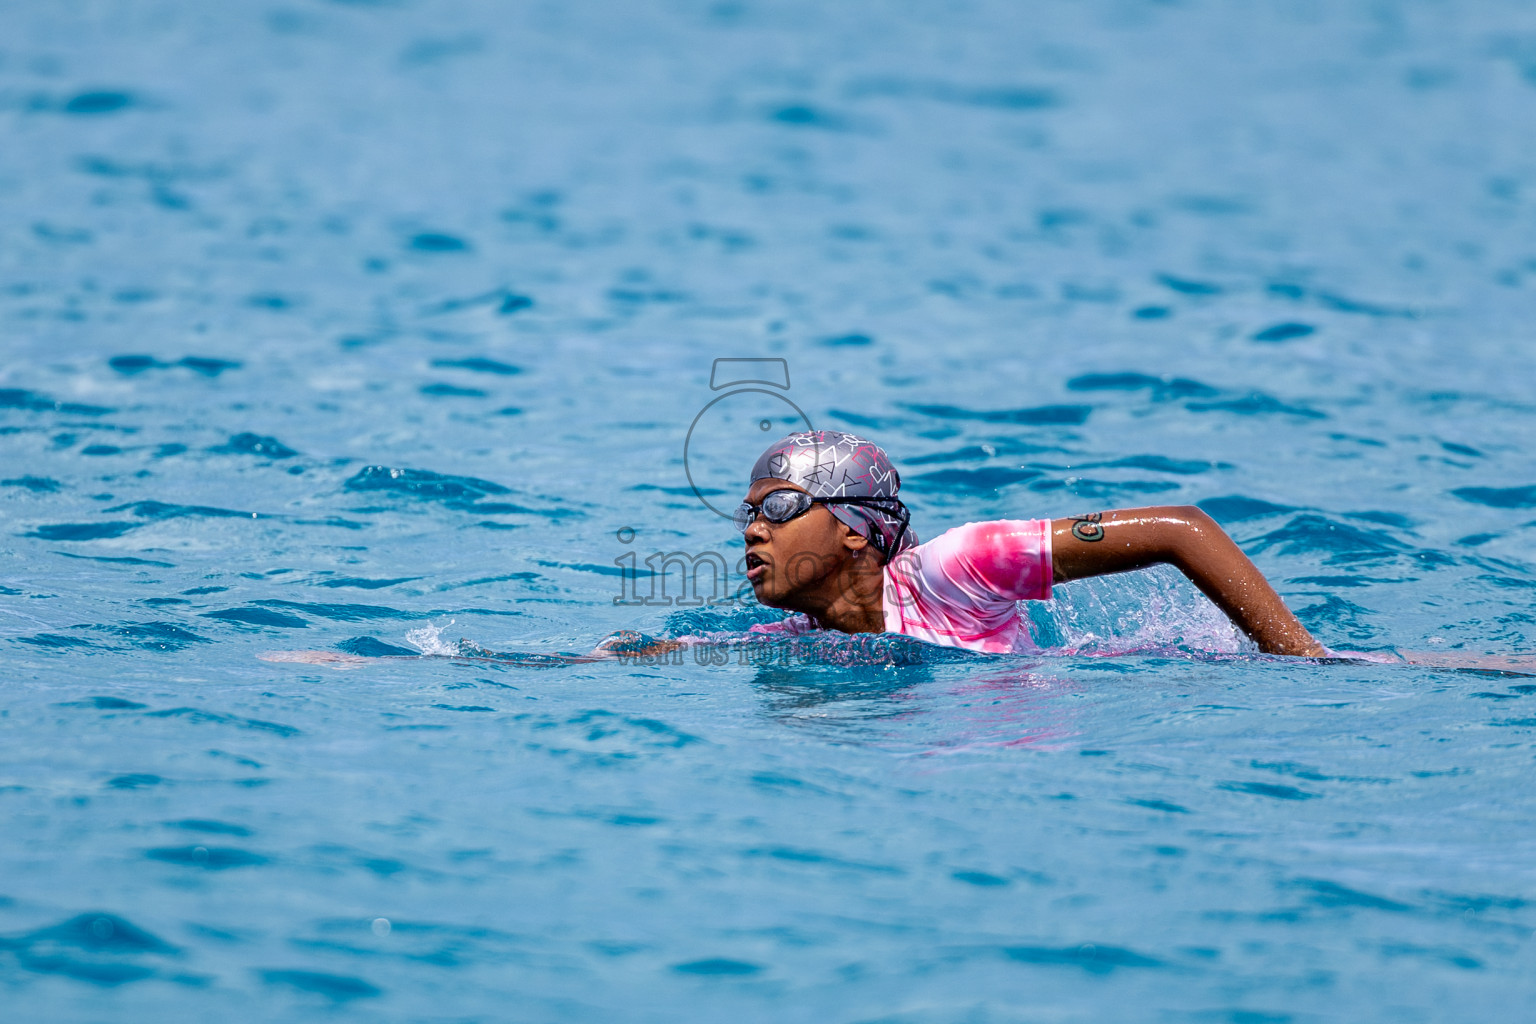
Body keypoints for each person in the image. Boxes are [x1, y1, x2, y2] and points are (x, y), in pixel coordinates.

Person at [728, 429, 1327, 657]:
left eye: (780, 508)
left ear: (858, 531)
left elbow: (1179, 528)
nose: (754, 528)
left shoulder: (957, 567)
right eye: (748, 513)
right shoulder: (801, 639)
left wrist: (1300, 658)